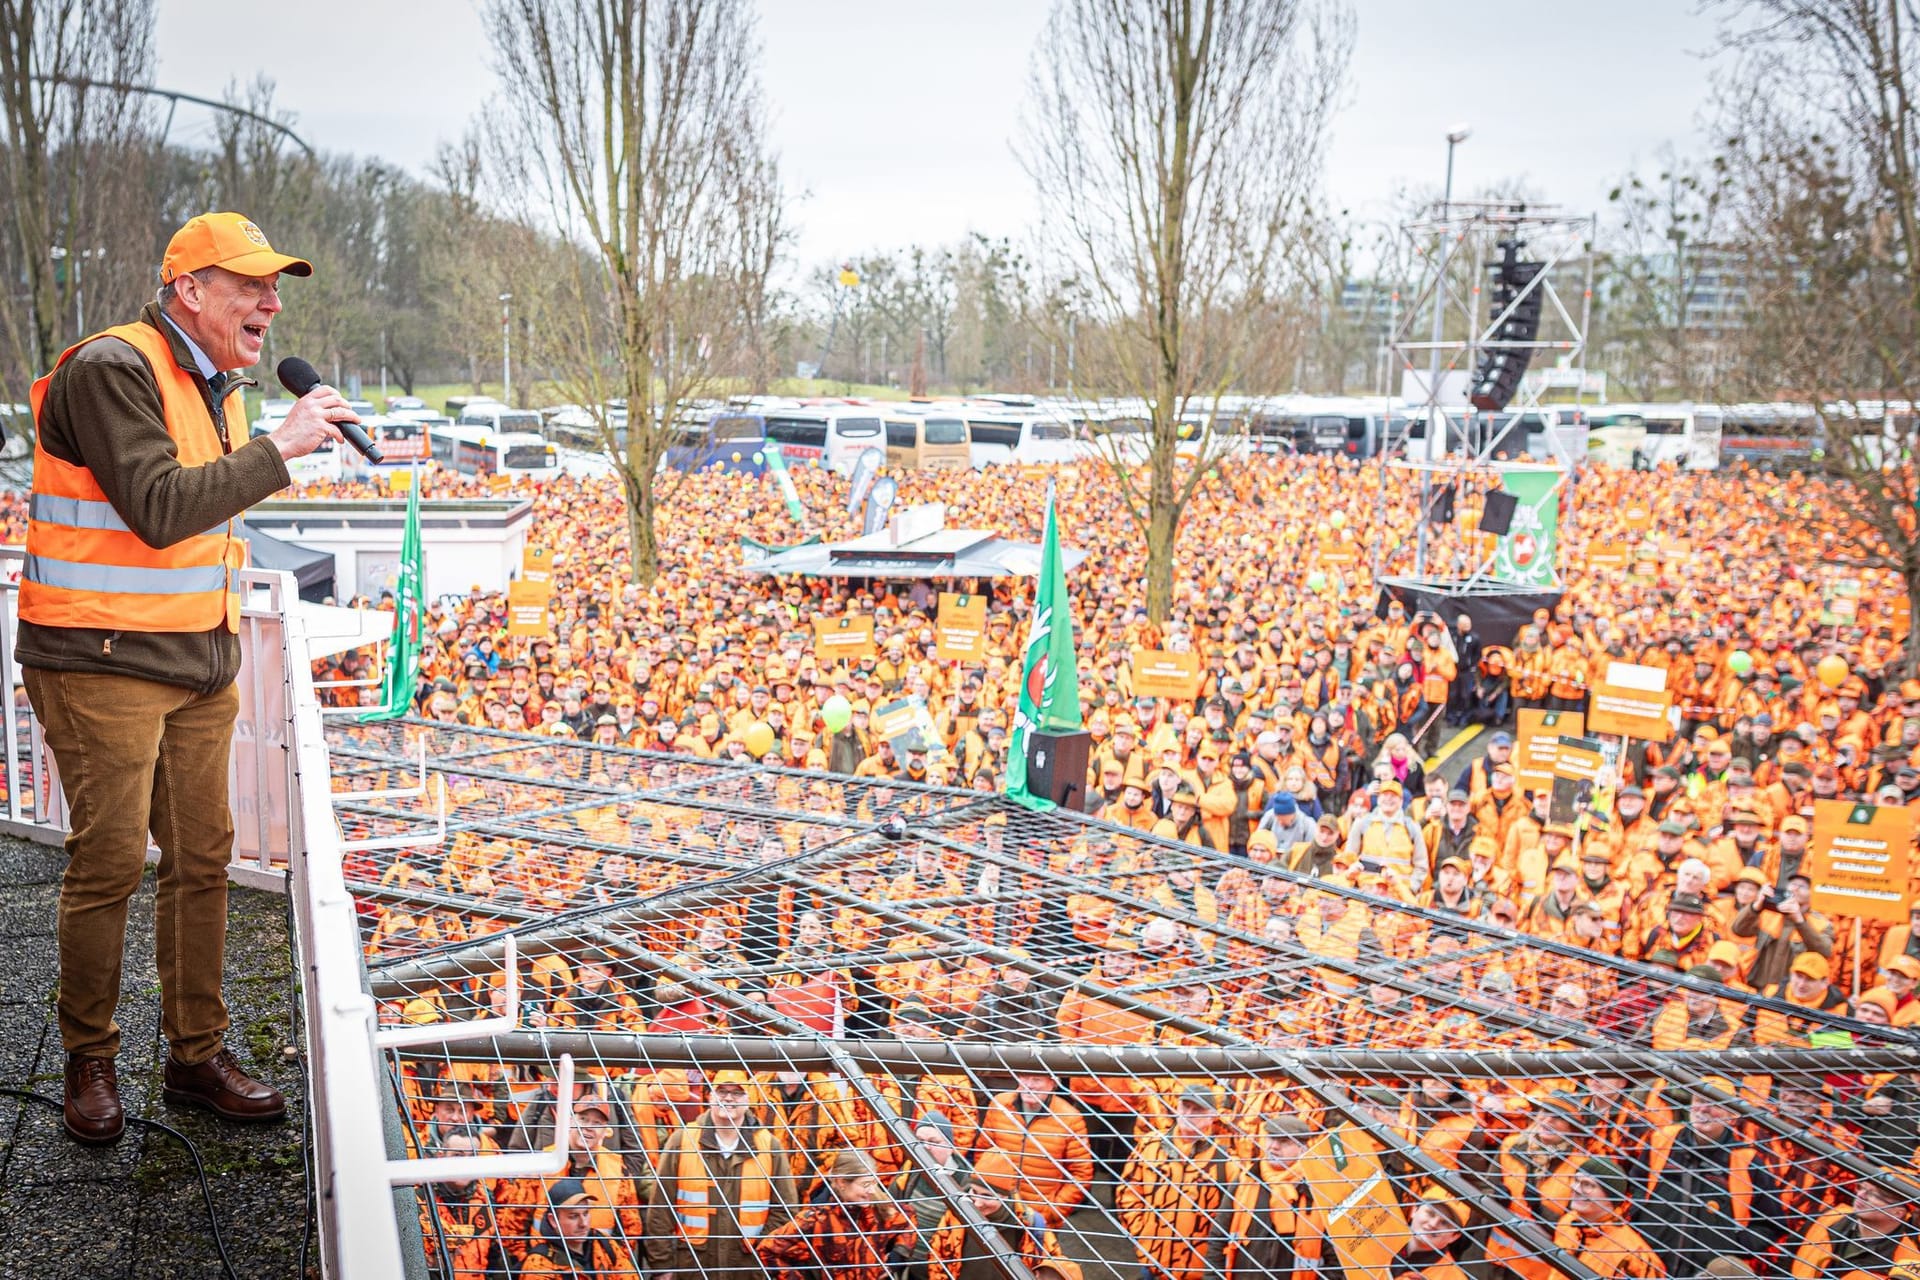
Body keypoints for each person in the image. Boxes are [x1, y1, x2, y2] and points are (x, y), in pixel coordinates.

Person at [20, 212, 349, 1144]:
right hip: (100, 660)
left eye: (275, 286)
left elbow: (205, 527)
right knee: (112, 861)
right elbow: (160, 512)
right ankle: (89, 1058)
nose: (271, 303)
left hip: (198, 657)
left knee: (205, 856)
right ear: (188, 290)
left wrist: (266, 449)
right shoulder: (110, 369)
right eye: (250, 284)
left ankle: (194, 1055)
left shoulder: (221, 385)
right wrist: (280, 449)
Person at [644, 1069, 797, 1277]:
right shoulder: (682, 1141)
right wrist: (662, 1268)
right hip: (692, 1267)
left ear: (748, 1099)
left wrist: (760, 1250)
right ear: (709, 1096)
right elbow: (660, 1209)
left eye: (737, 1092)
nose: (728, 1098)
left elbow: (785, 1210)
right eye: (721, 1091)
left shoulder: (769, 1146)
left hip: (749, 1268)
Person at [755, 1149, 914, 1280]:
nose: (872, 1191)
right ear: (841, 1182)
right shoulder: (815, 1219)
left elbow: (909, 1218)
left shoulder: (879, 1207)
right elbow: (767, 1250)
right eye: (865, 1184)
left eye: (874, 1183)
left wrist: (896, 1259)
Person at [519, 1178, 641, 1278]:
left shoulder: (604, 1243)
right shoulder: (539, 1265)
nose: (583, 1223)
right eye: (573, 1216)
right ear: (553, 1220)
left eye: (586, 1213)